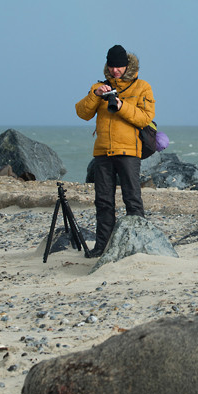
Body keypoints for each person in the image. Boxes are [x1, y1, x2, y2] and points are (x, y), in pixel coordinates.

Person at [75, 44, 155, 257]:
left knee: (132, 199)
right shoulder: (99, 86)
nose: (115, 71)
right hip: (103, 152)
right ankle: (102, 247)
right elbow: (82, 113)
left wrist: (121, 106)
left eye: (118, 67)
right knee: (102, 201)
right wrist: (96, 94)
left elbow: (145, 118)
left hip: (129, 151)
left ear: (127, 65)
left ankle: (138, 246)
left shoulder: (142, 87)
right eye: (111, 66)